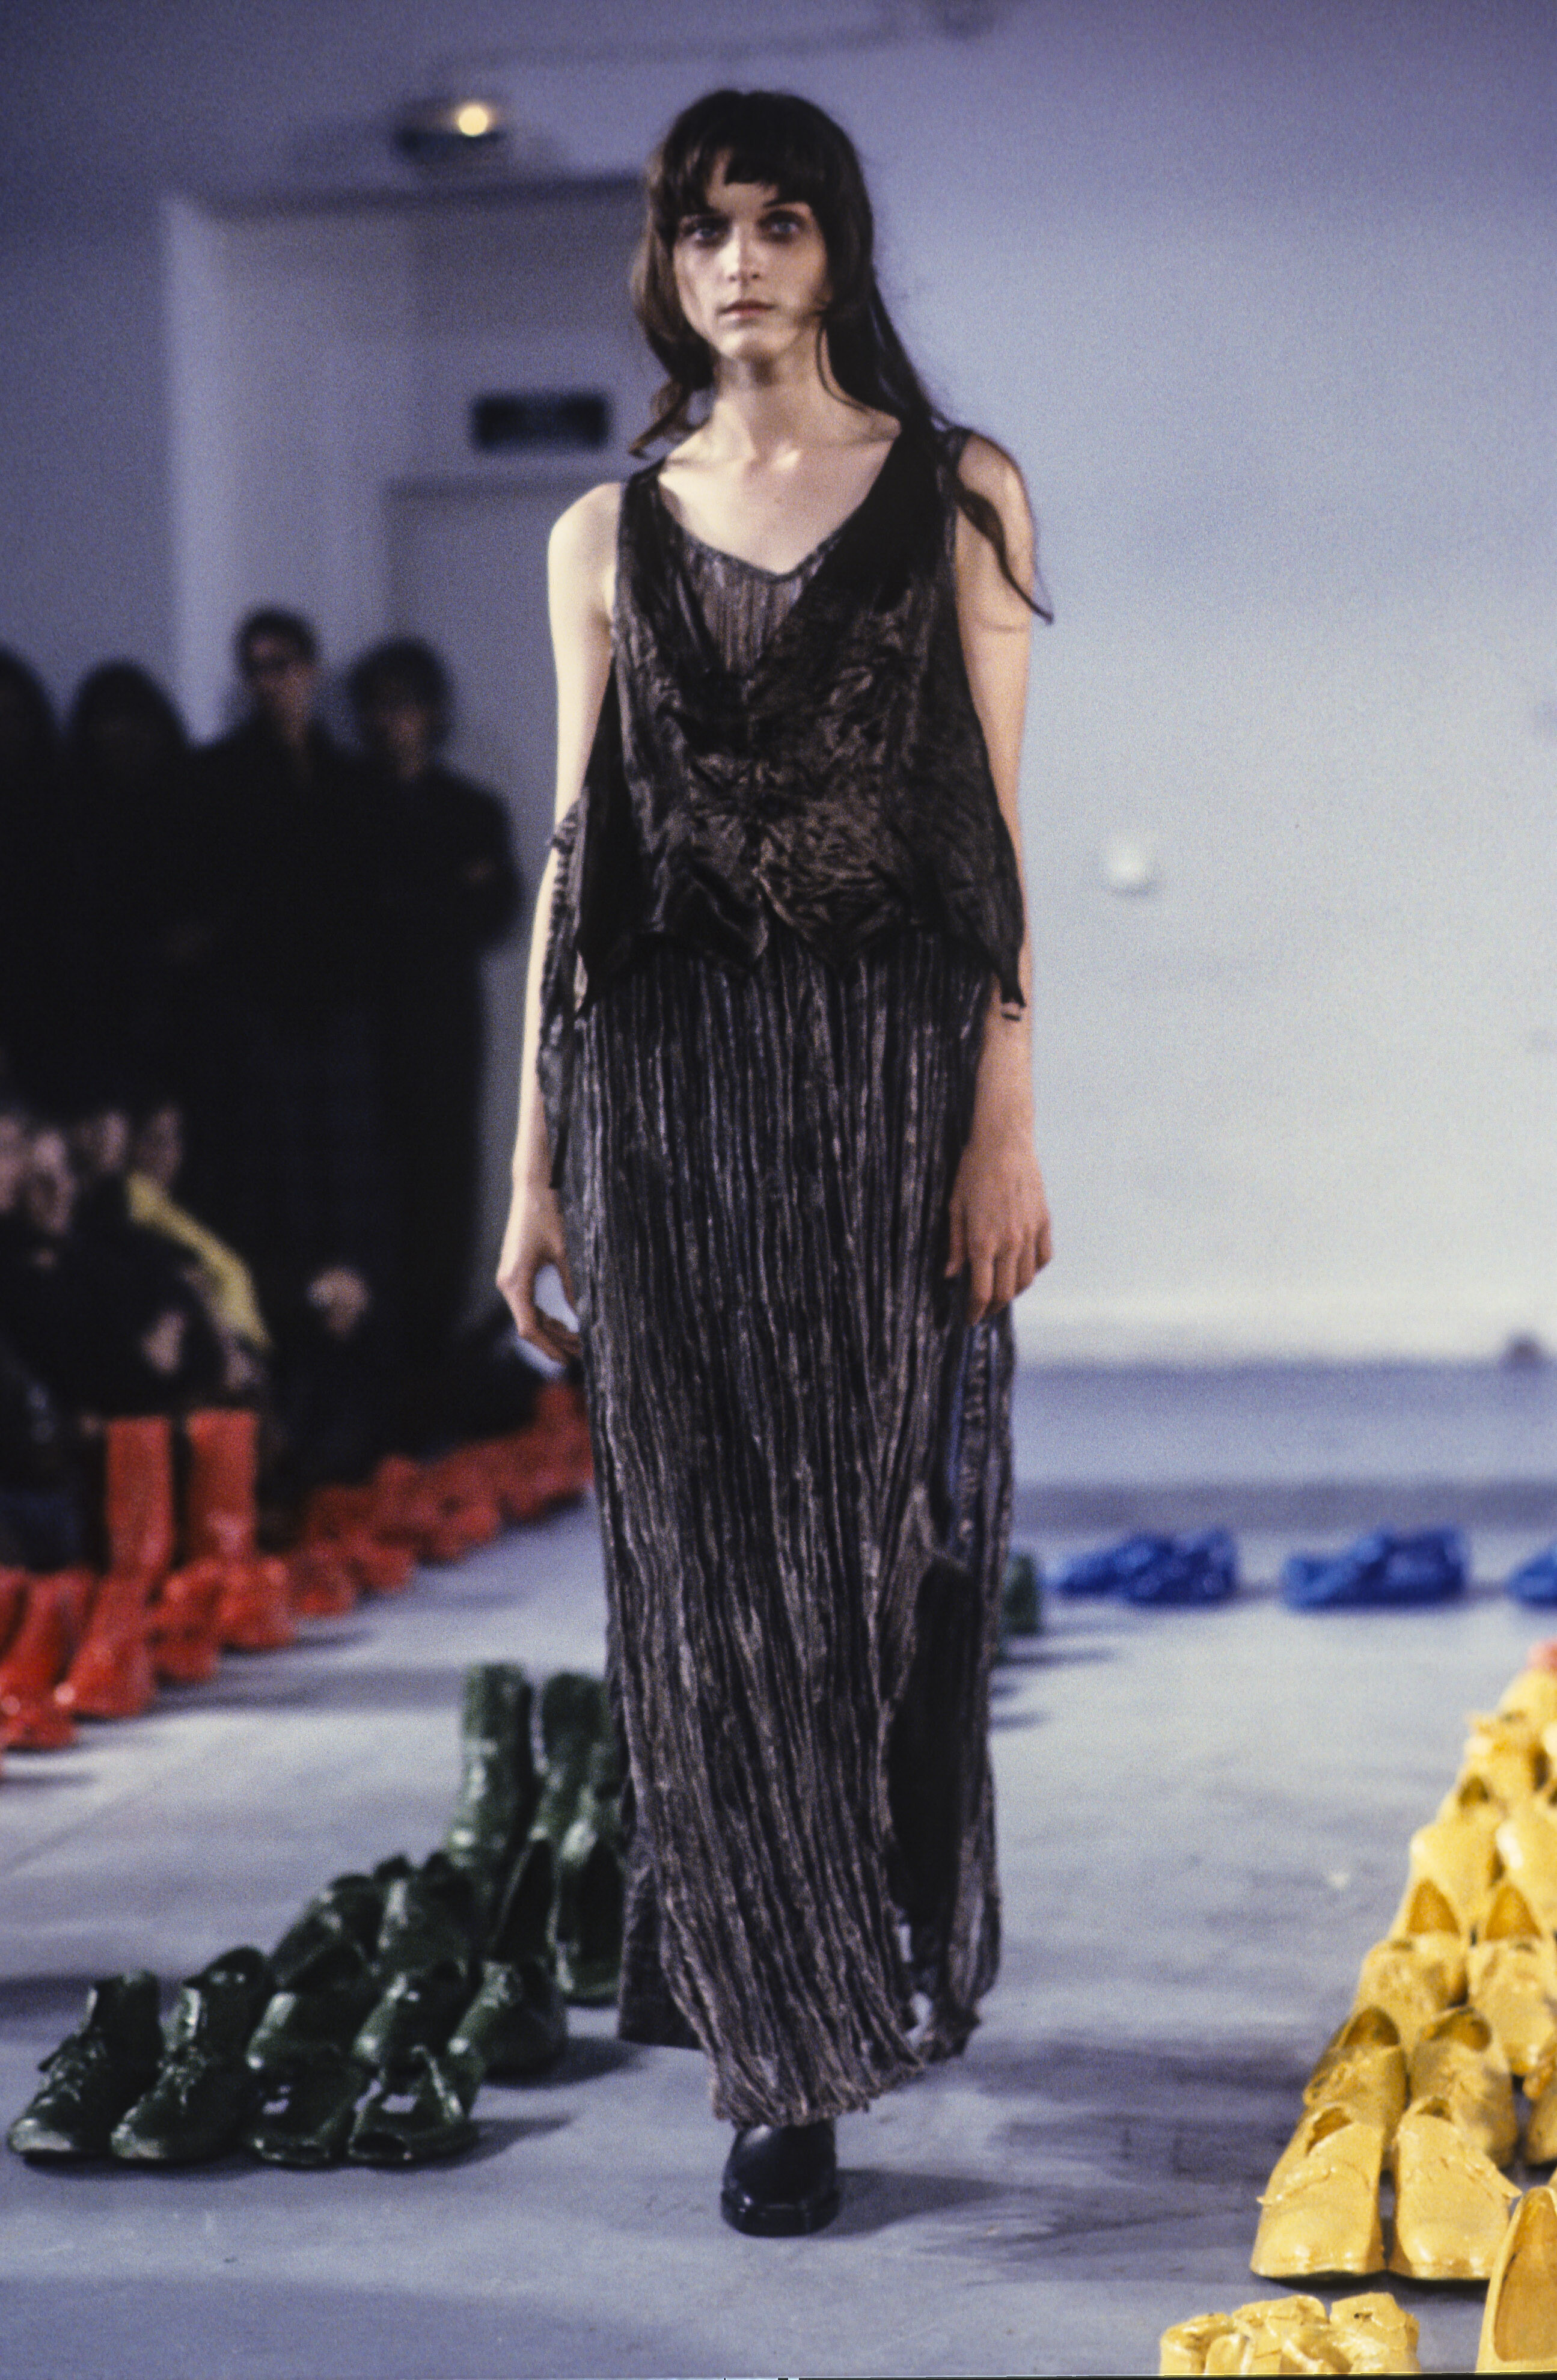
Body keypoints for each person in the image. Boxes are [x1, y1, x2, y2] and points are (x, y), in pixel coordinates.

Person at [497, 88, 1053, 2236]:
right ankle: (780, 2051)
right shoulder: (601, 533)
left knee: (869, 1559)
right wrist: (530, 1167)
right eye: (704, 226)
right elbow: (578, 862)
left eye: (780, 221)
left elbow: (989, 838)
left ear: (836, 250)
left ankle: (854, 1923)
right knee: (706, 1586)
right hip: (661, 1094)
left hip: (881, 1086)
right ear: (665, 261)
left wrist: (1003, 1118)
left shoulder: (954, 493)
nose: (739, 259)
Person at [191, 609, 397, 1485]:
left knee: (349, 1201)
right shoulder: (226, 775)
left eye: (282, 663)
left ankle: (354, 1405)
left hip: (339, 1011)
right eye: (257, 667)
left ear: (311, 669)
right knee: (281, 1201)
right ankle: (300, 1408)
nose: (270, 680)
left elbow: (369, 892)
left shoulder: (347, 778)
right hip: (266, 1018)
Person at [347, 637, 521, 1409]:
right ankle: (377, 1358)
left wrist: (411, 902)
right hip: (364, 1024)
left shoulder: (468, 807)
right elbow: (353, 913)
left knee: (445, 1185)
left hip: (445, 1025)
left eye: (402, 705)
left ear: (432, 711)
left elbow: (495, 911)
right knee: (369, 1186)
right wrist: (440, 892)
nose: (389, 722)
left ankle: (433, 1356)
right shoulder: (347, 802)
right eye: (377, 707)